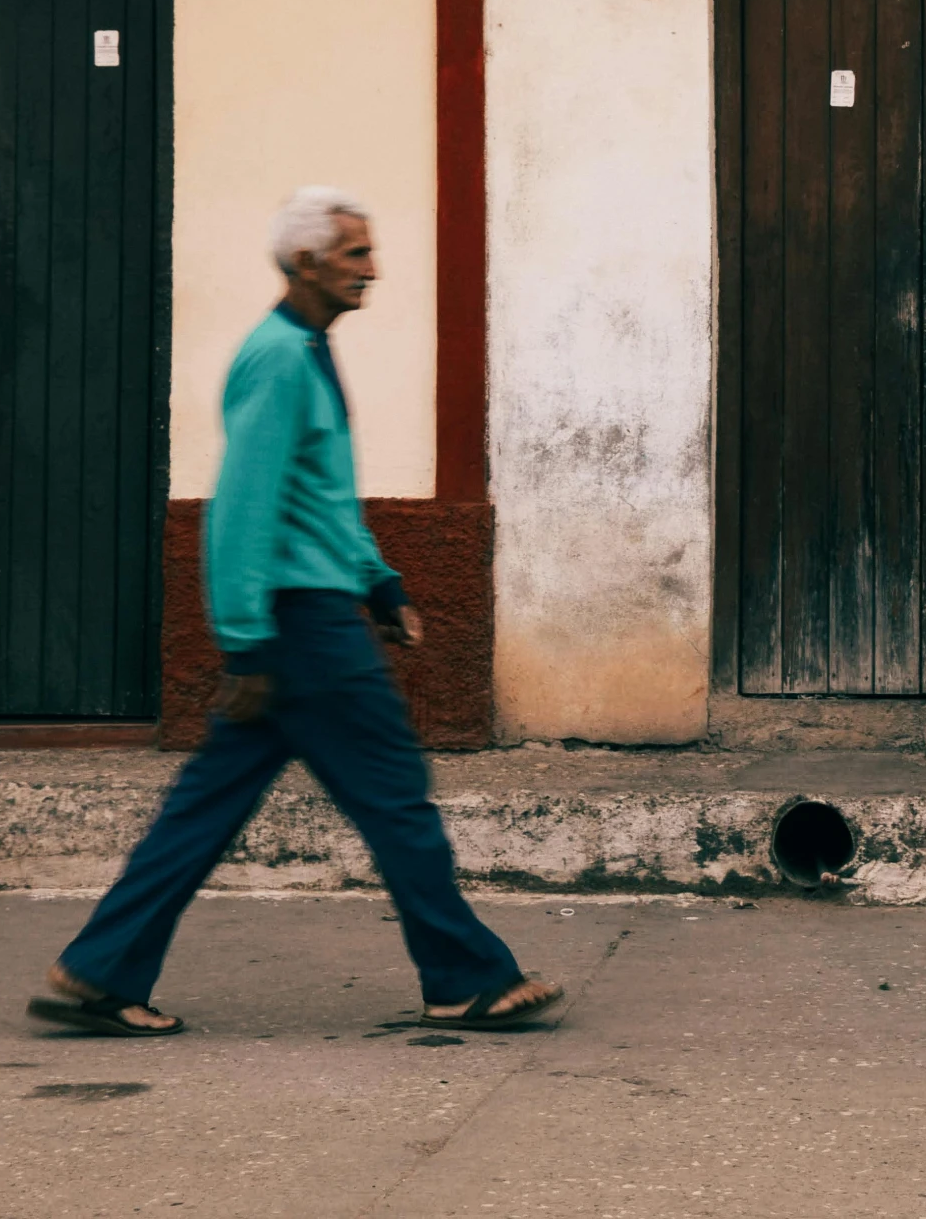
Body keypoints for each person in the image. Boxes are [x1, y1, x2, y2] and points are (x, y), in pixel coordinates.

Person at [28, 187, 562, 1037]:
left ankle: (99, 970)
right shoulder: (277, 359)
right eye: (355, 253)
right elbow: (242, 510)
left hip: (306, 619)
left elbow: (319, 500)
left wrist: (379, 581)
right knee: (395, 799)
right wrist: (246, 645)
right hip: (305, 631)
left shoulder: (305, 350)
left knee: (206, 807)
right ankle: (465, 977)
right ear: (307, 262)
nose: (372, 269)